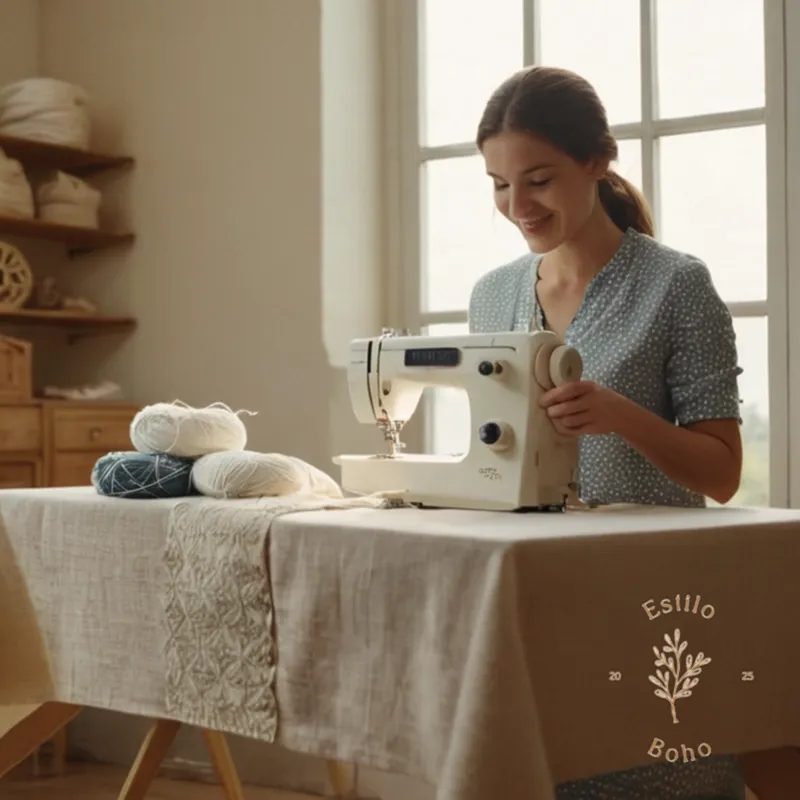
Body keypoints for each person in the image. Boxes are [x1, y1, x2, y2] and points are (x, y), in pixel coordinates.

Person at [469, 66, 745, 799]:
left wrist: (618, 413)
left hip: (648, 590)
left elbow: (722, 473)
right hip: (533, 586)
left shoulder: (678, 285)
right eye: (499, 184)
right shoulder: (492, 295)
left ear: (597, 161)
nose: (516, 205)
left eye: (537, 179)